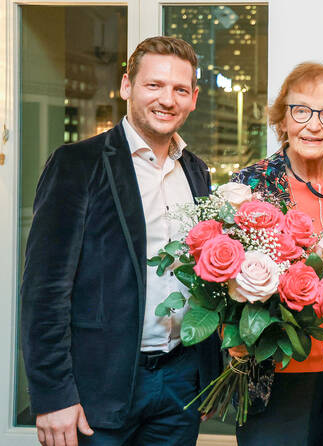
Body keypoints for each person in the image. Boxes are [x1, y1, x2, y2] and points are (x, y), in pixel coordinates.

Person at [20, 36, 220, 446]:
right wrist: (53, 395)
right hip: (98, 387)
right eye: (154, 85)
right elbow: (45, 290)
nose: (167, 99)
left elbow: (205, 279)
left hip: (182, 383)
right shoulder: (77, 164)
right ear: (127, 86)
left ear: (194, 98)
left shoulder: (196, 171)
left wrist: (207, 372)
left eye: (180, 89)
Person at [230, 62, 323, 446]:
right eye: (301, 111)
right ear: (283, 119)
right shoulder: (252, 185)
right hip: (274, 373)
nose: (313, 125)